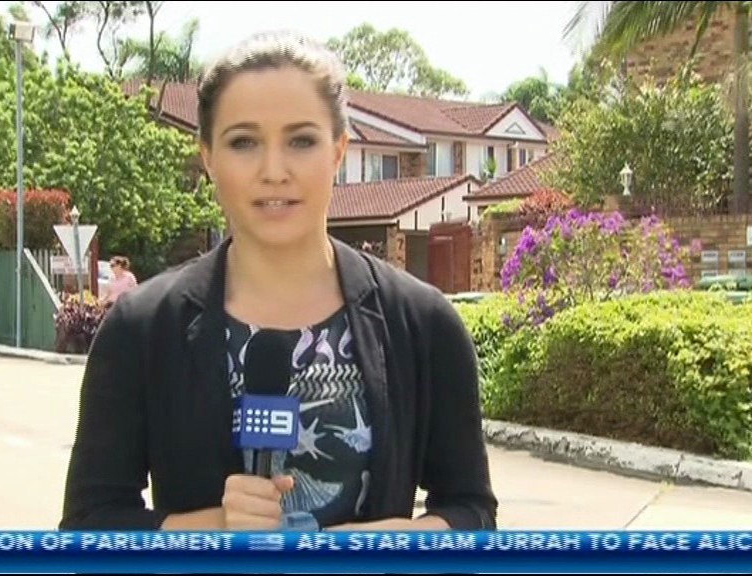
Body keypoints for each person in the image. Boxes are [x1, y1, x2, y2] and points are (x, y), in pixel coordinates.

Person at [59, 30, 497, 532]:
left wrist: (388, 545)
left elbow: (472, 512)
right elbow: (87, 526)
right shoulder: (142, 327)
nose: (274, 170)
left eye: (301, 141)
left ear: (338, 151)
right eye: (243, 142)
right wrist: (214, 528)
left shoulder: (422, 322)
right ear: (208, 157)